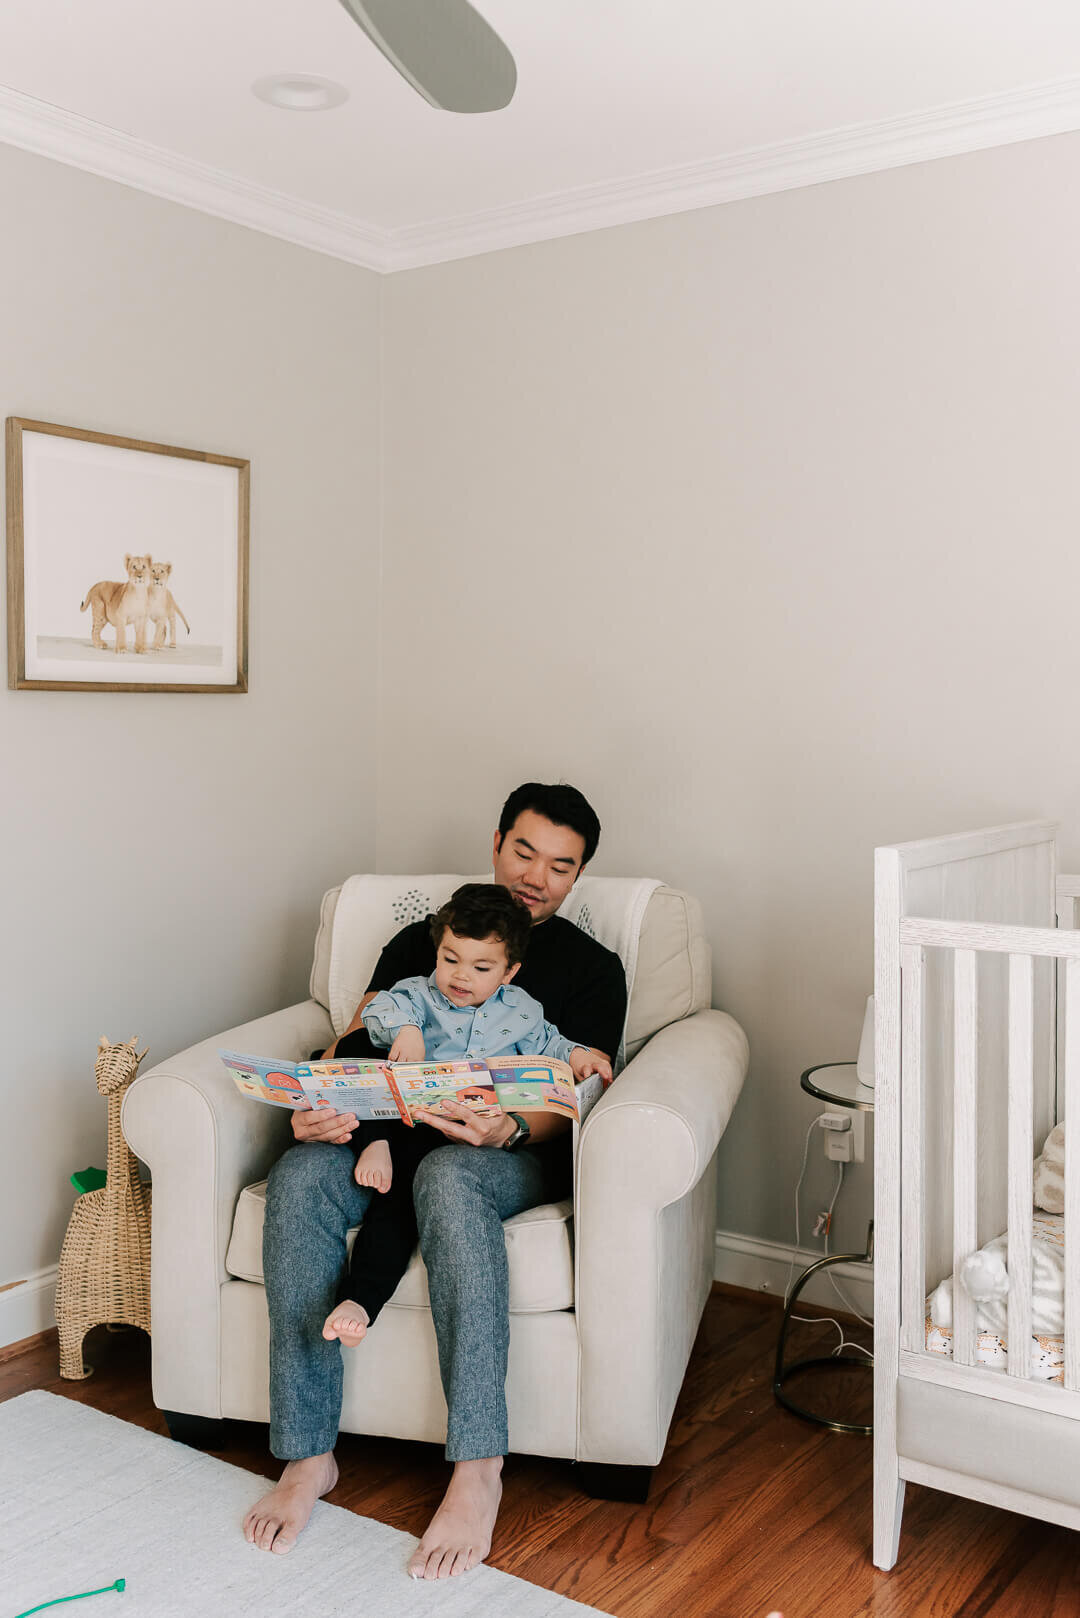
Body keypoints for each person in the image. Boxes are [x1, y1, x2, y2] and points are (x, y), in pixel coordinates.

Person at [243, 782, 627, 1579]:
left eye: (562, 865)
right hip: (392, 1127)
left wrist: (511, 1125)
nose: (537, 875)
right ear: (496, 843)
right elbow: (357, 1035)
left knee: (452, 1176)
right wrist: (320, 1106)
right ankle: (308, 1454)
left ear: (579, 875)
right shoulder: (429, 938)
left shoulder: (594, 970)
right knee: (306, 1175)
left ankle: (477, 1467)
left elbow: (574, 1087)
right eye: (525, 851)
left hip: (504, 1152)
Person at [322, 882, 611, 1349]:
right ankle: (372, 1152)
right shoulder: (416, 993)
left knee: (404, 1199)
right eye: (450, 958)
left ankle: (360, 1299)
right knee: (356, 1051)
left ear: (509, 971)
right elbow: (378, 1013)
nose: (460, 976)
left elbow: (551, 1045)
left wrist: (580, 1058)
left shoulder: (522, 1011)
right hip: (395, 1120)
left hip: (453, 1131)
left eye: (481, 967)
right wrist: (408, 1030)